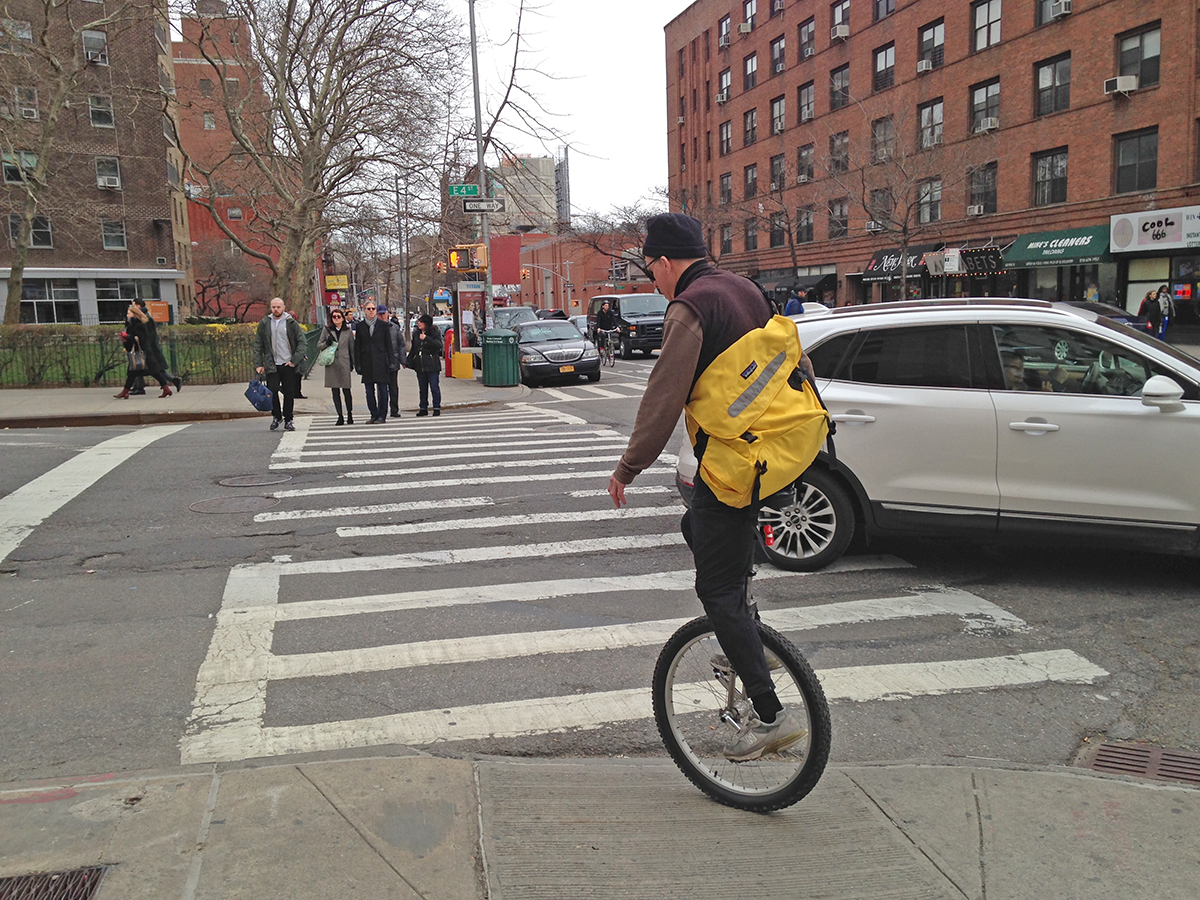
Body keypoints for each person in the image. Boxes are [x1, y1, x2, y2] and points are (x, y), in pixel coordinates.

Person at [606, 212, 810, 763]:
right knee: (694, 526)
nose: (654, 282)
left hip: (731, 464)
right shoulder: (745, 289)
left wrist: (629, 466)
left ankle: (770, 715)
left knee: (715, 592)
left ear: (667, 262)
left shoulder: (691, 306)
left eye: (652, 271)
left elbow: (664, 394)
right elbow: (792, 359)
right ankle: (745, 633)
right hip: (776, 452)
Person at [253, 297, 307, 430]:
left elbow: (302, 342)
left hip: (287, 364)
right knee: (272, 391)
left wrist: (294, 361)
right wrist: (259, 364)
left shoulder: (291, 323)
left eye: (278, 307)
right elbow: (258, 344)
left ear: (283, 307)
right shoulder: (265, 323)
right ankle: (276, 416)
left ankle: (288, 419)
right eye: (273, 307)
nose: (276, 309)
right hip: (272, 364)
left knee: (289, 392)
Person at [113, 303, 176, 399]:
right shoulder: (133, 323)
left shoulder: (139, 324)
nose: (127, 315)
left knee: (153, 372)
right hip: (142, 352)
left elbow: (140, 339)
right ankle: (125, 392)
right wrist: (126, 339)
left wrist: (127, 337)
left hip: (143, 353)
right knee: (133, 373)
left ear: (135, 314)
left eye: (129, 313)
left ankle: (166, 389)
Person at [353, 300, 395, 424]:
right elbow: (357, 347)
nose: (371, 311)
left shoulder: (383, 326)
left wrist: (392, 361)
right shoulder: (360, 326)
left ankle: (382, 415)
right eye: (369, 309)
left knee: (383, 390)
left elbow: (389, 345)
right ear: (364, 311)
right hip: (367, 362)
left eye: (373, 309)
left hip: (381, 362)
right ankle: (374, 414)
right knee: (369, 391)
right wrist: (358, 364)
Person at [316, 307, 355, 426]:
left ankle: (349, 414)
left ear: (343, 318)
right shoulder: (327, 330)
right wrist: (326, 343)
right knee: (335, 391)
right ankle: (340, 416)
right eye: (334, 317)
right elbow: (318, 345)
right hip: (332, 363)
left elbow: (351, 348)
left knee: (347, 390)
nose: (336, 319)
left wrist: (353, 364)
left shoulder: (348, 332)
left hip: (344, 362)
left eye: (339, 316)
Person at [408, 313, 443, 416]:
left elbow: (438, 346)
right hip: (420, 364)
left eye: (421, 322)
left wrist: (426, 338)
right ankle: (423, 407)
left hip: (432, 364)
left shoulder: (434, 332)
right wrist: (408, 361)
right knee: (422, 388)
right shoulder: (416, 333)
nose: (419, 323)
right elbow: (414, 349)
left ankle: (436, 407)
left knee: (434, 387)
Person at [377, 305, 407, 418]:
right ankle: (382, 410)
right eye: (380, 314)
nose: (382, 316)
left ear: (387, 314)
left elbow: (401, 344)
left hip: (393, 361)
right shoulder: (374, 328)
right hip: (380, 362)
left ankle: (394, 409)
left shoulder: (394, 327)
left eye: (383, 313)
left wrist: (403, 360)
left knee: (393, 387)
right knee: (381, 388)